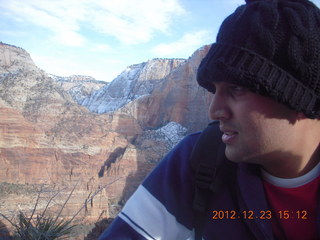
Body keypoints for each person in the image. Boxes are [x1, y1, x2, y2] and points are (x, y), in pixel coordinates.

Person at [99, 0, 320, 239]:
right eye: (214, 90)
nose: (214, 111)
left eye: (236, 88)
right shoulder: (199, 158)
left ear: (299, 99)